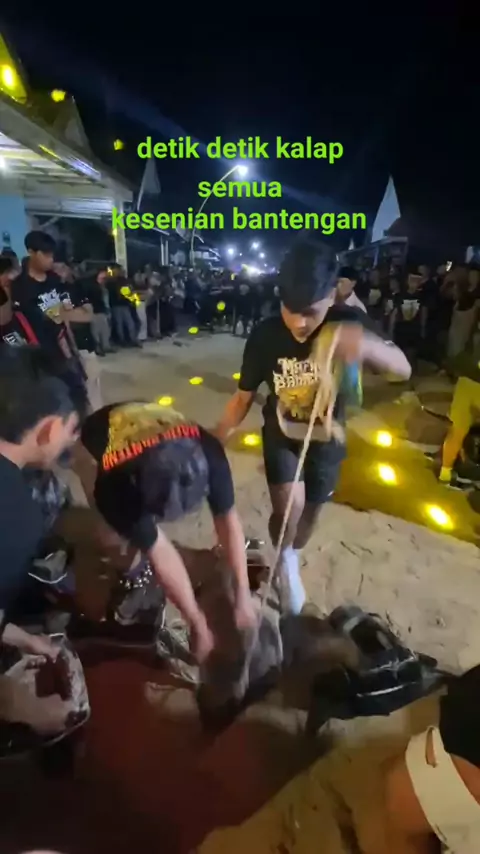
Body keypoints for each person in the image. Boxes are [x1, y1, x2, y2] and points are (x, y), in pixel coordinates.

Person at [215, 239, 411, 613]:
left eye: (310, 312)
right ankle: (284, 560)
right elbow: (242, 398)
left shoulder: (348, 323)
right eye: (290, 310)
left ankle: (292, 553)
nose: (299, 323)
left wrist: (365, 345)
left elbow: (403, 370)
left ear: (332, 294)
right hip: (282, 435)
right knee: (289, 508)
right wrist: (216, 436)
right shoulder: (265, 335)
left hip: (327, 438)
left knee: (310, 515)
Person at [76, 401, 256, 662]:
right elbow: (159, 549)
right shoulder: (114, 486)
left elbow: (228, 520)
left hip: (153, 427)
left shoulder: (210, 453)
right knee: (115, 540)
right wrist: (195, 620)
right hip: (97, 437)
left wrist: (243, 595)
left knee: (145, 539)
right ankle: (137, 579)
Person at [0, 346, 79, 734]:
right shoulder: (16, 512)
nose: (70, 442)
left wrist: (23, 639)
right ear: (48, 429)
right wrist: (17, 705)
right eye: (70, 430)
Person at [11, 231, 89, 418]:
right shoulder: (19, 287)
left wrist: (73, 347)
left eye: (52, 255)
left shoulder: (55, 279)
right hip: (38, 354)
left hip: (62, 349)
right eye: (45, 254)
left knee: (78, 392)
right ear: (31, 252)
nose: (50, 259)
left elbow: (65, 311)